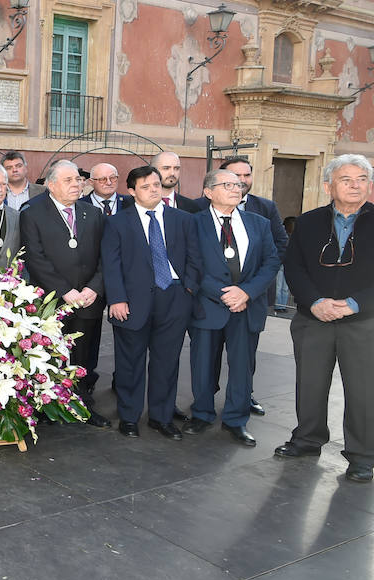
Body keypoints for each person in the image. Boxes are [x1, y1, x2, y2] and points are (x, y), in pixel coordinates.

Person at [276, 155, 374, 483]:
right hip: (314, 319)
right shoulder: (308, 223)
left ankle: (363, 456)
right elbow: (294, 267)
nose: (355, 185)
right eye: (346, 179)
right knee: (309, 385)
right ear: (329, 186)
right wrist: (314, 302)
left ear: (370, 184)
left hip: (368, 321)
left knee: (366, 391)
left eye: (362, 179)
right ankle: (307, 440)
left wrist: (355, 304)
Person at [182, 168, 281, 446]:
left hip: (246, 306)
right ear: (208, 192)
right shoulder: (193, 223)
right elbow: (190, 264)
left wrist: (245, 292)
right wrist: (223, 293)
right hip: (207, 305)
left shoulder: (259, 223)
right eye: (227, 185)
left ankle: (236, 420)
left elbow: (271, 261)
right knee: (202, 364)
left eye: (238, 185)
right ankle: (201, 414)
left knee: (242, 367)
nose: (236, 189)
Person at [101, 165, 196, 441]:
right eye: (145, 186)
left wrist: (188, 289)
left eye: (156, 184)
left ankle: (161, 417)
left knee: (167, 363)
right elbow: (111, 263)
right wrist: (116, 298)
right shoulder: (118, 222)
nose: (153, 189)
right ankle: (129, 417)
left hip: (175, 298)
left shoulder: (183, 219)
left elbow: (195, 257)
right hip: (131, 302)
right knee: (130, 362)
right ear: (131, 191)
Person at [20, 160, 111, 428]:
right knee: (51, 356)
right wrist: (65, 291)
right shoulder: (33, 213)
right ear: (51, 185)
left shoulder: (92, 213)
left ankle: (83, 405)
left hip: (88, 299)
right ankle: (49, 407)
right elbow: (35, 258)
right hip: (52, 301)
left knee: (84, 358)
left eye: (79, 180)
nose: (77, 184)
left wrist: (94, 287)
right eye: (69, 180)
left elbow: (105, 256)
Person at [216, 155, 289, 416]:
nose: (242, 181)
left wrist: (250, 288)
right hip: (213, 298)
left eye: (246, 175)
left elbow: (280, 246)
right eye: (236, 177)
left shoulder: (265, 208)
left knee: (246, 355)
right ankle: (206, 396)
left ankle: (244, 397)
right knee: (209, 354)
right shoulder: (202, 206)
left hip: (252, 297)